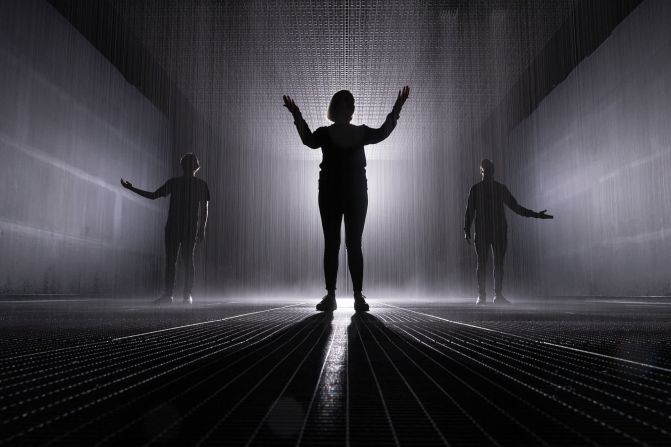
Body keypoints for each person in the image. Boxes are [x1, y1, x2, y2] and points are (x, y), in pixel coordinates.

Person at [283, 87, 410, 312]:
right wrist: (296, 116)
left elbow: (382, 133)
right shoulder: (334, 133)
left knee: (352, 244)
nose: (348, 106)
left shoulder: (353, 132)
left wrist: (397, 108)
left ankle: (356, 296)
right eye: (345, 102)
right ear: (338, 108)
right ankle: (334, 295)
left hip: (352, 193)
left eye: (350, 103)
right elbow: (309, 140)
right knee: (334, 244)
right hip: (336, 193)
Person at [121, 153, 210, 304]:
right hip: (186, 228)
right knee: (186, 260)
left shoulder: (175, 183)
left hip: (174, 227)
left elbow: (153, 195)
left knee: (173, 261)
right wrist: (202, 229)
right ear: (196, 166)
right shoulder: (200, 184)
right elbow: (205, 209)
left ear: (185, 166)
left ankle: (170, 295)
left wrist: (132, 188)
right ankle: (185, 295)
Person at [464, 159, 552, 305]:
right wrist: (466, 229)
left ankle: (489, 295)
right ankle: (488, 295)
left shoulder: (487, 189)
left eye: (488, 171)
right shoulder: (493, 189)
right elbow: (470, 212)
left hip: (490, 230)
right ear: (483, 172)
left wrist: (536, 214)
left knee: (491, 263)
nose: (487, 174)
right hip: (492, 230)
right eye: (485, 171)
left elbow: (515, 207)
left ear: (490, 171)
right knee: (487, 263)